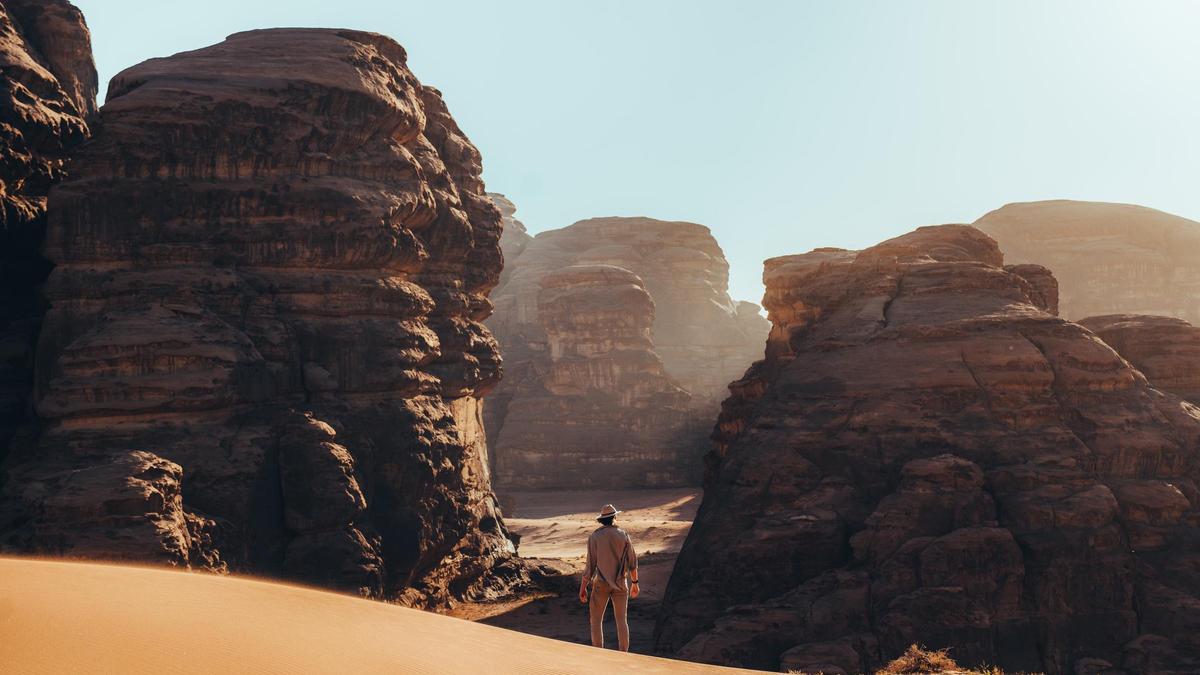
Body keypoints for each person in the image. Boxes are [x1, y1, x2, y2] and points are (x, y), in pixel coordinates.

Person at [578, 503, 639, 651]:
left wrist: (583, 588)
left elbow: (590, 566)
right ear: (614, 517)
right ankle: (623, 653)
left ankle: (598, 653)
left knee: (596, 621)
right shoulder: (624, 535)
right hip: (621, 584)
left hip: (601, 584)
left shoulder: (595, 537)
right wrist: (635, 583)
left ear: (601, 520)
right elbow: (633, 563)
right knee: (621, 620)